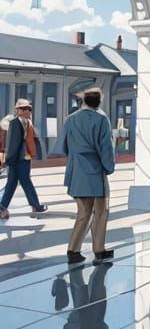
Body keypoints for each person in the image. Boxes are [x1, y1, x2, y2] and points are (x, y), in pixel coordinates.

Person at [59, 87, 115, 265]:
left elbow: (63, 146)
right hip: (94, 169)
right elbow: (105, 147)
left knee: (83, 212)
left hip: (76, 170)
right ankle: (99, 249)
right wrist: (109, 167)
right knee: (101, 210)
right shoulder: (101, 119)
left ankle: (73, 250)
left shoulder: (71, 119)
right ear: (99, 102)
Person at [1, 98, 49, 219]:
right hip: (17, 160)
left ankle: (3, 208)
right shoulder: (15, 123)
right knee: (22, 182)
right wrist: (9, 160)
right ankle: (35, 205)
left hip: (24, 158)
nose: (27, 111)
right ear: (18, 111)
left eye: (29, 108)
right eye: (24, 109)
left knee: (15, 183)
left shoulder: (27, 122)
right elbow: (13, 143)